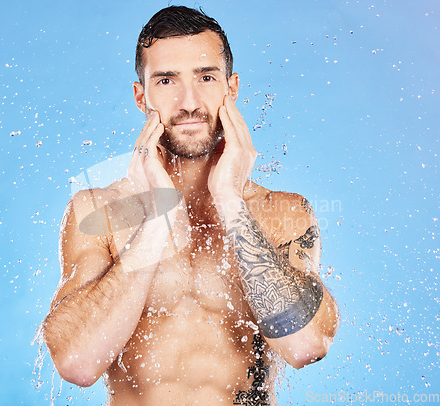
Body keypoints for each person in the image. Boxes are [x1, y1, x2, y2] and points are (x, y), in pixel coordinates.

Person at [42, 6, 339, 405]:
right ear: (140, 95)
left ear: (231, 89)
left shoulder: (282, 213)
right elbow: (77, 363)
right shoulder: (98, 212)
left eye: (206, 77)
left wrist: (231, 201)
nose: (189, 101)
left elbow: (306, 345)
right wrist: (157, 219)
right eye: (166, 80)